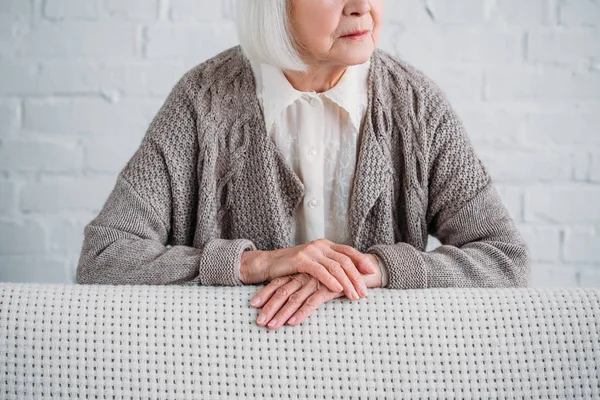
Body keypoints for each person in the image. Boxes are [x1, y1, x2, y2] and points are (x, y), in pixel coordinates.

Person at [76, 0, 531, 330]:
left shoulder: (417, 106)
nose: (361, 6)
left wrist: (376, 269)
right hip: (229, 375)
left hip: (383, 375)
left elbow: (505, 259)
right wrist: (255, 264)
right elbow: (103, 259)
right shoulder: (201, 102)